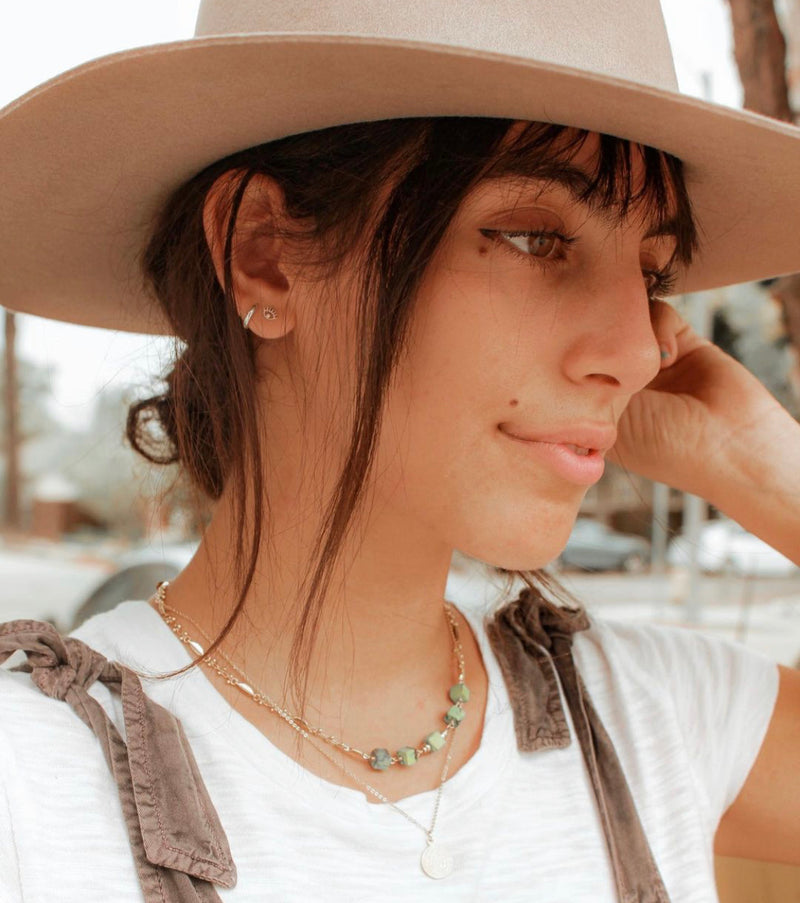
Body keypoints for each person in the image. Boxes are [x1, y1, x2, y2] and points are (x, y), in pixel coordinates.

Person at [0, 1, 799, 900]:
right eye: (536, 237)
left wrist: (763, 463)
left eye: (652, 276)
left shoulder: (648, 719)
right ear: (264, 254)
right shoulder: (31, 793)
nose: (639, 347)